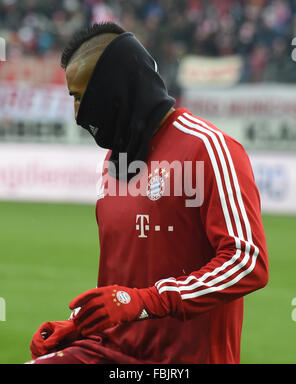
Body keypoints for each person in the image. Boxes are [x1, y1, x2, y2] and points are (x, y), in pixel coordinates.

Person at [27, 22, 269, 364]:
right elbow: (124, 292)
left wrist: (149, 301)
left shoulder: (209, 148)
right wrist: (78, 325)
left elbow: (248, 261)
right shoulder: (114, 161)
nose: (78, 116)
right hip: (107, 351)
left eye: (82, 97)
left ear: (115, 90)